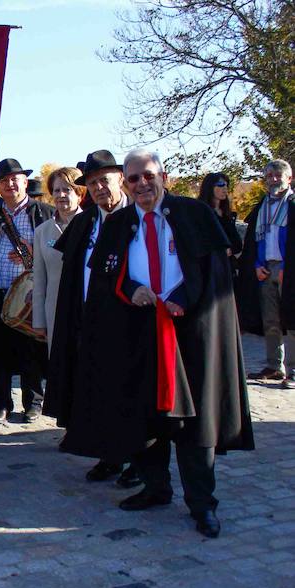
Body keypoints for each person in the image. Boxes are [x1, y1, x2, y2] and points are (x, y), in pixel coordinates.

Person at [67, 149, 254, 538]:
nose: (141, 185)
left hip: (190, 335)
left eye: (148, 176)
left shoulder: (194, 215)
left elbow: (214, 273)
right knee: (143, 413)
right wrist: (131, 288)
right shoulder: (118, 224)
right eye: (133, 179)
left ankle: (202, 504)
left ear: (163, 176)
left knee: (194, 421)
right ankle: (156, 488)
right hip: (138, 333)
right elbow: (105, 277)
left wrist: (184, 297)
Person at [41, 151, 138, 486]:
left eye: (104, 181)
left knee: (130, 395)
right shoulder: (86, 222)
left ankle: (139, 462)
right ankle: (108, 456)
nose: (99, 188)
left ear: (120, 179)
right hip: (87, 320)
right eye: (93, 183)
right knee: (97, 391)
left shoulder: (138, 219)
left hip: (129, 323)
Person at [0, 158, 53, 424]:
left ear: (25, 183)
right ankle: (0, 404)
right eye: (4, 181)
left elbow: (56, 246)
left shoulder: (42, 212)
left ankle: (33, 403)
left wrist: (33, 252)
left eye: (14, 179)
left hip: (30, 294)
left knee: (30, 350)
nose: (10, 185)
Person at [238, 159, 294, 388]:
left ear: (289, 178)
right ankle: (274, 366)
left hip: (287, 269)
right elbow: (254, 240)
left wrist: (287, 269)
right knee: (270, 319)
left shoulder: (292, 205)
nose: (273, 180)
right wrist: (256, 265)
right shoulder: (262, 206)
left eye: (278, 176)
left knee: (292, 320)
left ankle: (292, 368)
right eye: (269, 176)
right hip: (265, 267)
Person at [32, 166, 84, 351]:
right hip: (54, 313)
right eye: (56, 190)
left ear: (79, 193)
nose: (61, 195)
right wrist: (38, 319)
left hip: (86, 311)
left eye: (67, 189)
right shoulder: (41, 231)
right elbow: (39, 279)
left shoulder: (92, 224)